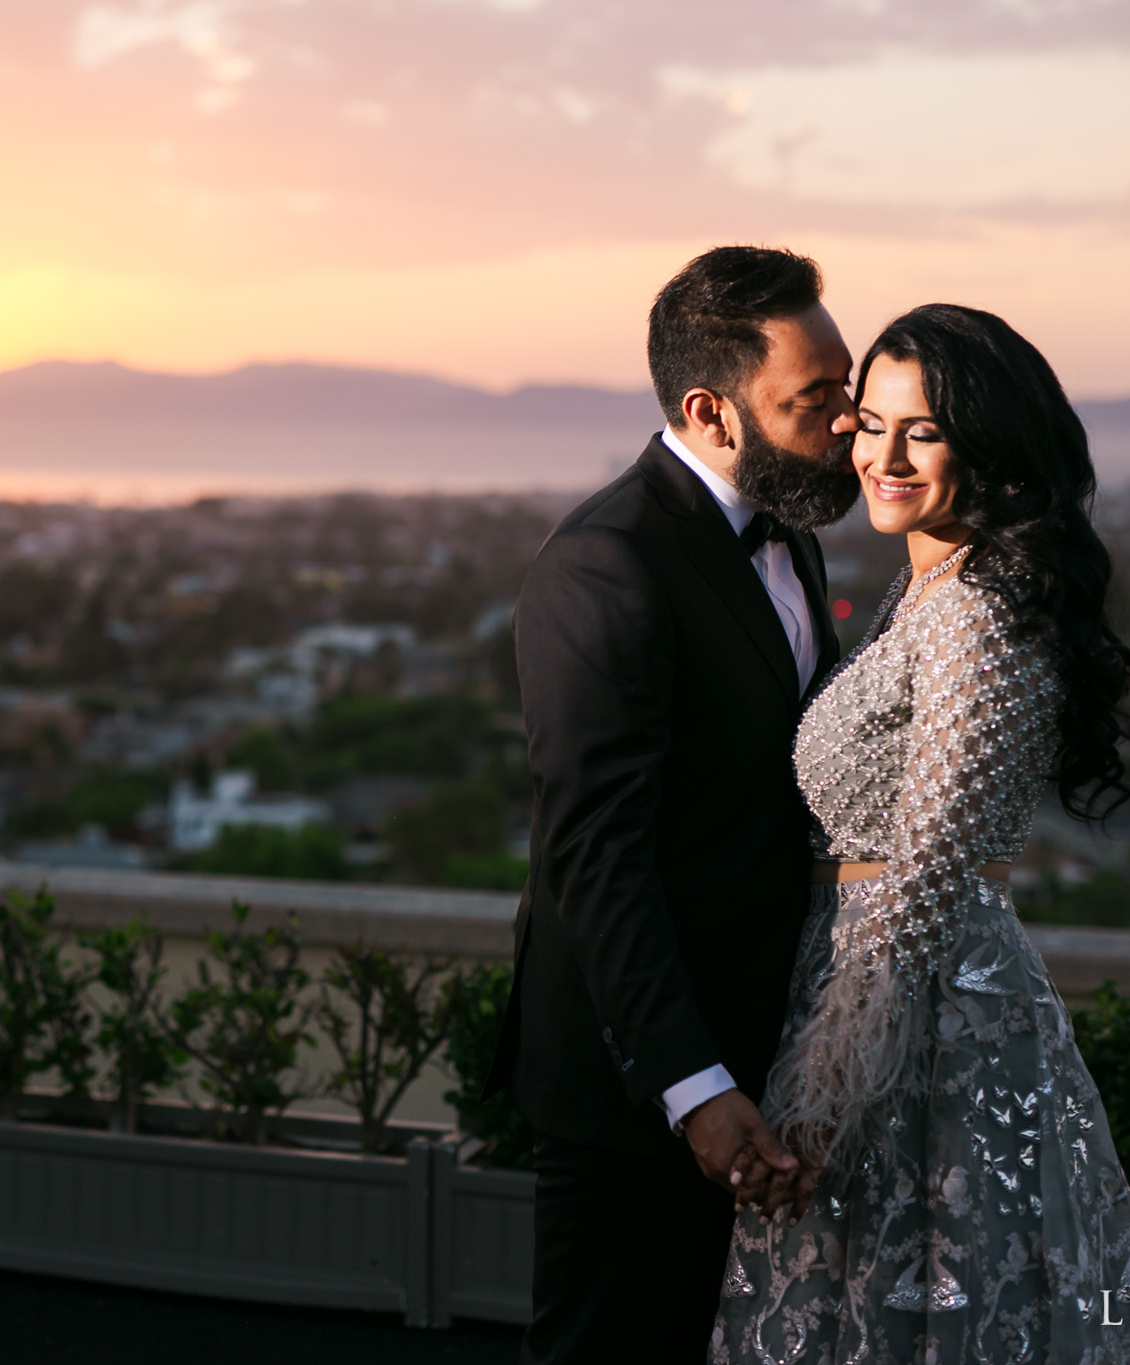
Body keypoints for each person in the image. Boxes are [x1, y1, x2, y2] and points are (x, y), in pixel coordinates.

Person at [710, 304, 1130, 1363]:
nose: (880, 455)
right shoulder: (924, 586)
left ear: (986, 444)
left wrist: (819, 1104)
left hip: (924, 1025)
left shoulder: (981, 606)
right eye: (867, 423)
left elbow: (927, 875)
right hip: (871, 994)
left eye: (920, 431)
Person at [487, 245, 863, 1364]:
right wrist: (693, 1087)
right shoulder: (604, 567)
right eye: (814, 401)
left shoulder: (785, 524)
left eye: (845, 391)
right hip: (635, 1072)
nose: (845, 424)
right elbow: (593, 858)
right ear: (710, 410)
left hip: (758, 1050)